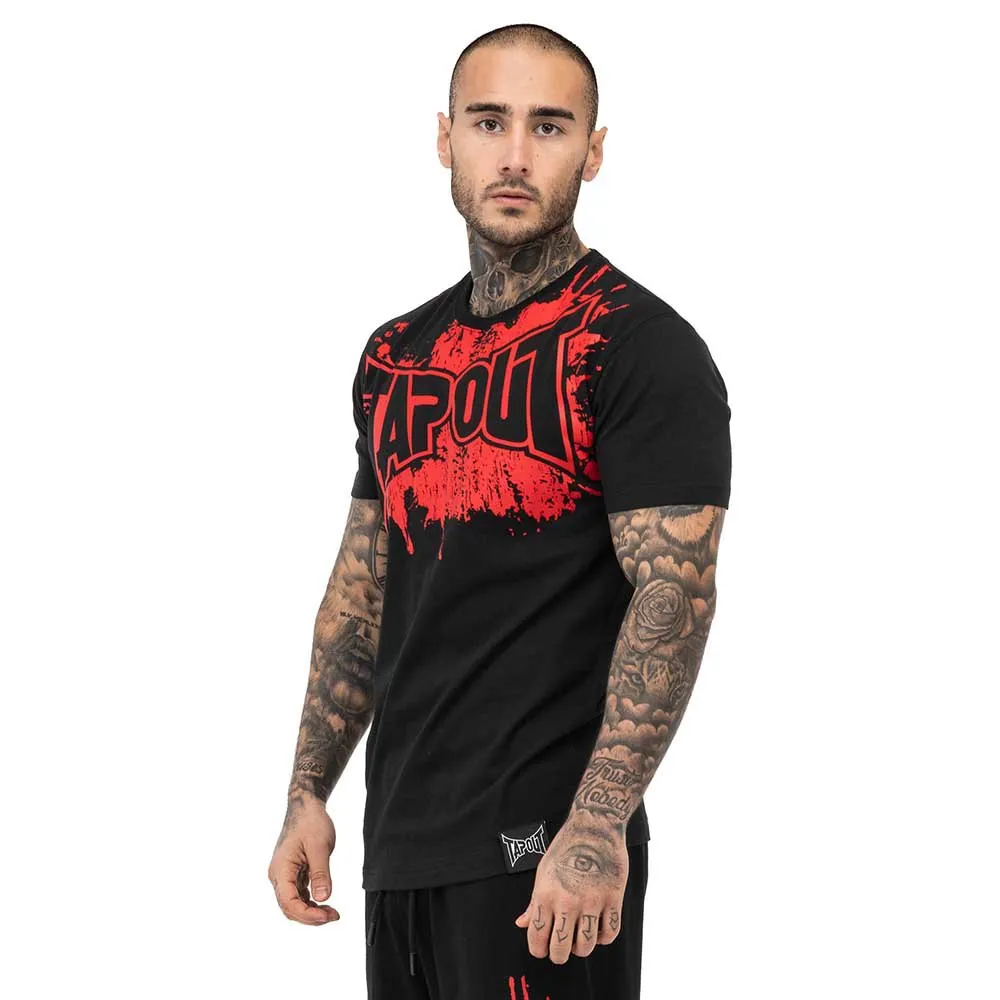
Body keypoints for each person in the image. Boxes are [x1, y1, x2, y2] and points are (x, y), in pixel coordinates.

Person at [267, 21, 731, 1000]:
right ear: (445, 139)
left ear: (593, 151)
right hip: (403, 844)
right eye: (489, 122)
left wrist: (597, 824)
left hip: (544, 853)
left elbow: (674, 599)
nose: (515, 155)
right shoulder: (396, 355)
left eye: (549, 126)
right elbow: (362, 591)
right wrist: (309, 790)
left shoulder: (639, 347)